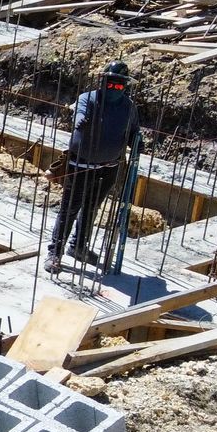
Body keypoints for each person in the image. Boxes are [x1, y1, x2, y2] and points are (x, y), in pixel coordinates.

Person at [47, 61, 141, 274]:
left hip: (109, 167)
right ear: (103, 81)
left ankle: (78, 247)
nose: (114, 89)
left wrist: (137, 142)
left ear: (124, 86)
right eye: (110, 85)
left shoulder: (128, 107)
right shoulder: (88, 99)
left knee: (91, 208)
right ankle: (55, 252)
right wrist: (80, 120)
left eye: (119, 86)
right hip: (81, 165)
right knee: (69, 209)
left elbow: (134, 131)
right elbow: (79, 113)